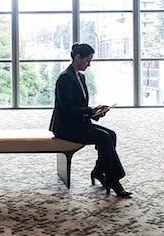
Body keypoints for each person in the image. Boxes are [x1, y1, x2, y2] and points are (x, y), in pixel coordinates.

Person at [49, 43, 132, 197]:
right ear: (78, 58)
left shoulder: (80, 76)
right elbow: (67, 109)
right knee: (104, 137)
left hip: (78, 123)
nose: (89, 64)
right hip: (66, 127)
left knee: (111, 134)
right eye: (88, 60)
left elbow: (80, 107)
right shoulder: (64, 78)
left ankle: (99, 171)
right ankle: (113, 180)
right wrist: (90, 111)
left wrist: (95, 112)